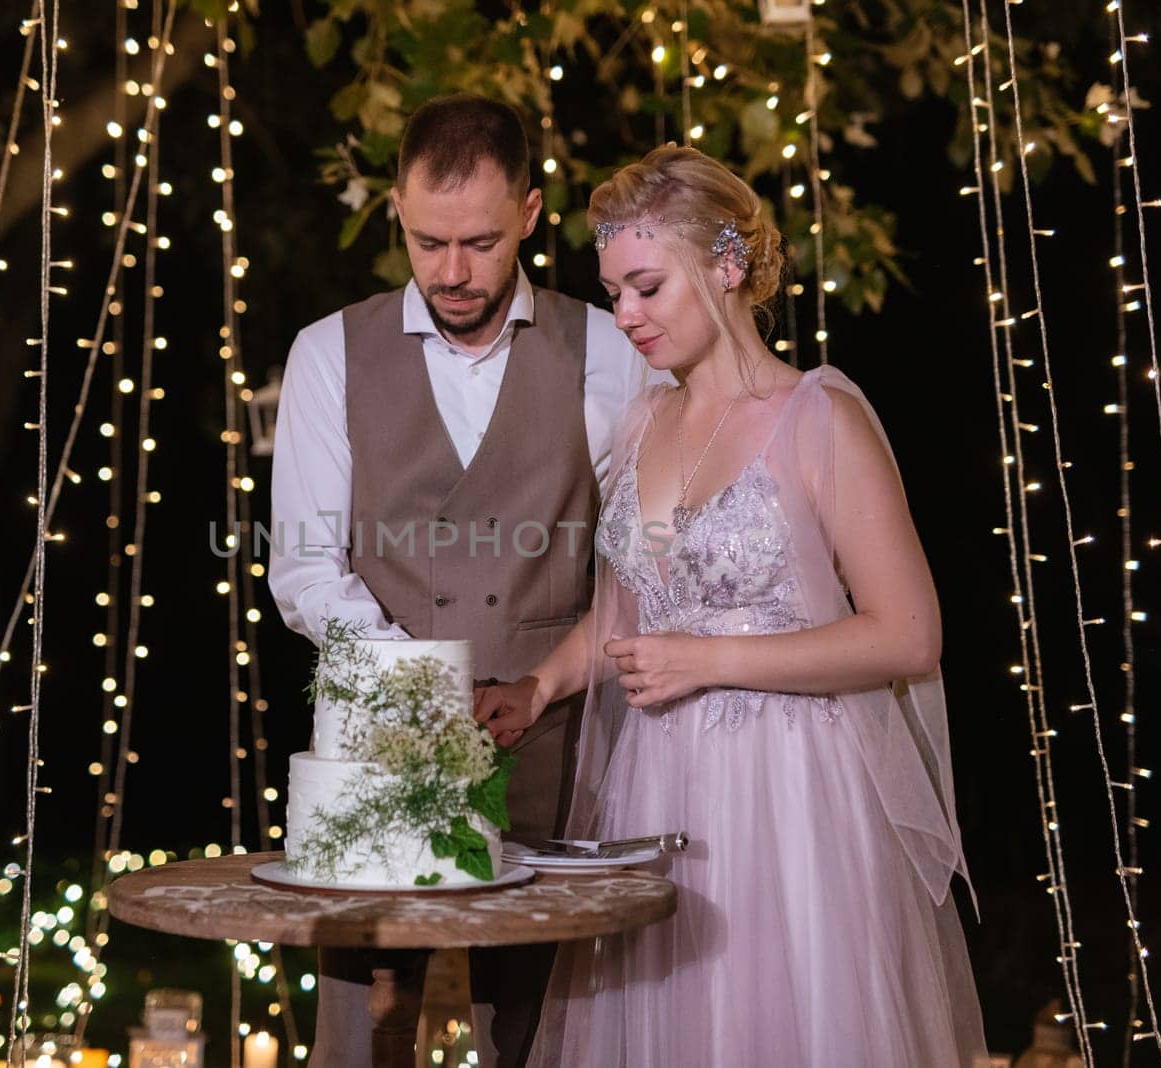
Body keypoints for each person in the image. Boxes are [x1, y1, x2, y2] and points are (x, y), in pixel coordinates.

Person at [474, 145, 988, 1065]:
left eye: (646, 288)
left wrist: (708, 660)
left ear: (727, 265)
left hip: (791, 794)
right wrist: (542, 686)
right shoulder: (644, 425)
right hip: (660, 789)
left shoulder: (817, 418)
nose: (625, 316)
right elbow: (640, 606)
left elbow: (909, 635)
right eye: (614, 293)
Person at [267, 94, 653, 1068]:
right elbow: (305, 565)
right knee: (362, 1030)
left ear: (529, 213)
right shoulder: (327, 354)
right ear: (396, 208)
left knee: (535, 1026)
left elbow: (641, 553)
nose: (450, 272)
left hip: (557, 735)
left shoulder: (606, 350)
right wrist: (421, 684)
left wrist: (552, 679)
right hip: (378, 739)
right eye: (425, 241)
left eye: (478, 243)